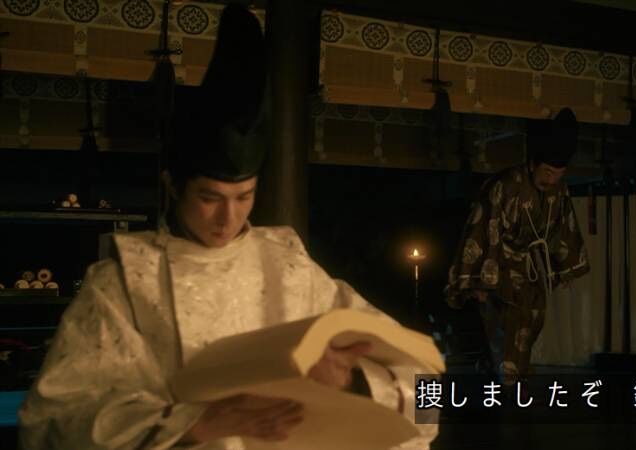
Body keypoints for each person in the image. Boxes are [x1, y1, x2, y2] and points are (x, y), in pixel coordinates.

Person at [18, 5, 436, 449]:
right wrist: (197, 423)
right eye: (209, 198)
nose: (228, 218)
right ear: (172, 186)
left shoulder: (291, 268)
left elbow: (428, 390)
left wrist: (352, 382)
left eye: (244, 197)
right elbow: (52, 423)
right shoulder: (123, 282)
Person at [444, 108, 590, 386]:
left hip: (531, 266)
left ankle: (511, 375)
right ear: (534, 164)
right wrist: (480, 281)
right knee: (506, 326)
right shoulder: (505, 185)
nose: (552, 180)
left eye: (558, 174)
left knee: (532, 320)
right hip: (499, 266)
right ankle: (504, 382)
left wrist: (565, 267)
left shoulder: (559, 189)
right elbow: (484, 226)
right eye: (548, 172)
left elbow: (563, 225)